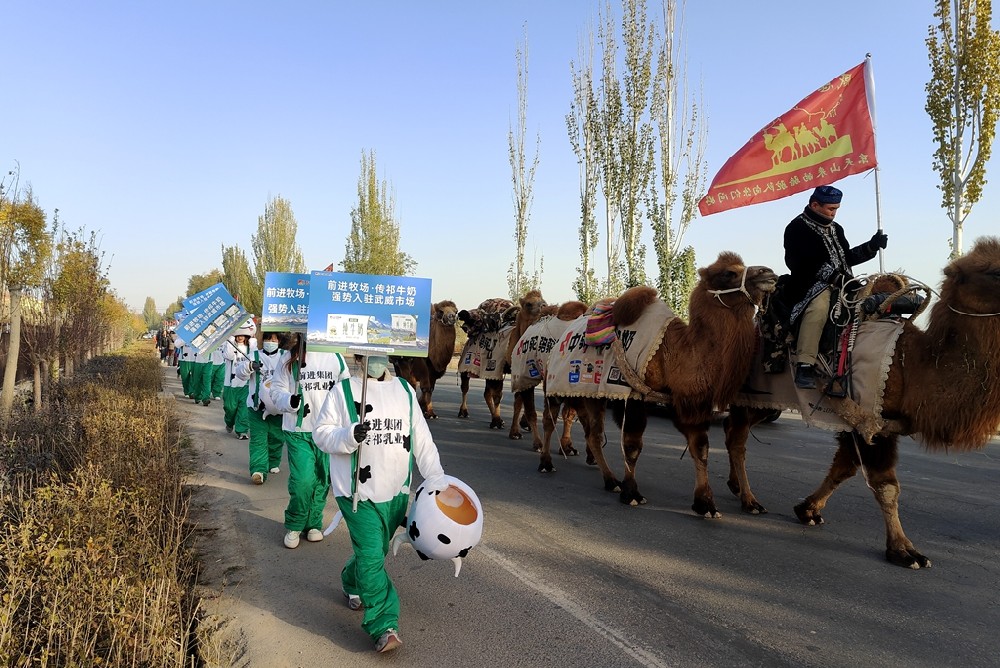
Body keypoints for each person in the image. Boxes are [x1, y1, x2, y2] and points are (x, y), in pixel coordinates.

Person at [313, 354, 448, 654]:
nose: (376, 361)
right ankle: (384, 625)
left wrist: (437, 478)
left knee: (373, 552)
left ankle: (351, 581)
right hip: (356, 493)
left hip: (396, 492)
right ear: (360, 357)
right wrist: (348, 435)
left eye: (381, 354)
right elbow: (321, 434)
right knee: (373, 556)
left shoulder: (404, 389)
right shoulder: (343, 391)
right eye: (369, 355)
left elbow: (421, 439)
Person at [783, 185, 888, 389]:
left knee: (875, 302)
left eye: (836, 209)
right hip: (810, 286)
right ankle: (805, 364)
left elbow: (845, 258)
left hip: (844, 283)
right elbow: (798, 263)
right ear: (815, 205)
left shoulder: (836, 229)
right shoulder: (796, 228)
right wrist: (834, 278)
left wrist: (871, 246)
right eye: (831, 209)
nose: (834, 213)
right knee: (819, 309)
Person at [268, 333, 351, 549]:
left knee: (323, 479)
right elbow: (276, 390)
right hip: (299, 429)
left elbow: (347, 391)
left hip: (327, 431)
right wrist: (289, 401)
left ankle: (314, 523)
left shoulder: (336, 357)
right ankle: (295, 523)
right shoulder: (289, 358)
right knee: (303, 479)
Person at [233, 330, 287, 484]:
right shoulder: (254, 355)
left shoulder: (285, 356)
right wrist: (249, 366)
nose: (271, 342)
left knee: (276, 437)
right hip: (257, 406)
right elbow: (240, 373)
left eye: (275, 339)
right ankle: (258, 470)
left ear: (280, 341)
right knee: (258, 439)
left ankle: (274, 461)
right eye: (269, 339)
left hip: (278, 407)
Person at [222, 322, 255, 440]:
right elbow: (229, 356)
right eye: (238, 334)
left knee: (244, 409)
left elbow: (255, 357)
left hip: (245, 384)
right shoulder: (230, 345)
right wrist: (230, 337)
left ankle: (242, 430)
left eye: (243, 334)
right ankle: (229, 422)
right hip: (230, 384)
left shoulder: (250, 348)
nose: (240, 337)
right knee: (229, 408)